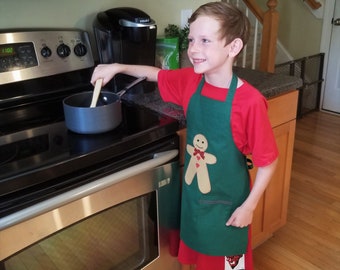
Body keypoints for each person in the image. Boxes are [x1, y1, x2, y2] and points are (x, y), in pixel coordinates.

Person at [91, 2, 279, 269]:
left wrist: (249, 206)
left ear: (233, 47)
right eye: (191, 39)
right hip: (195, 199)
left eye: (205, 40)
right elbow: (155, 74)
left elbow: (268, 161)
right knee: (199, 262)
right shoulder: (191, 80)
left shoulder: (249, 102)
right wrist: (116, 67)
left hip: (228, 206)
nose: (193, 49)